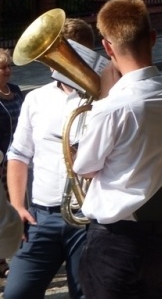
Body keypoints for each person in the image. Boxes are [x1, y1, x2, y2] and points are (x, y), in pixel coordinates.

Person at [72, 0, 162, 299]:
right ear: (153, 38)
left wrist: (100, 101)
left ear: (107, 47)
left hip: (114, 242)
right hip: (161, 238)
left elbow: (84, 169)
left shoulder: (111, 107)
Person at [4, 18, 96, 299]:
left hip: (87, 218)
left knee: (83, 294)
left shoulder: (105, 98)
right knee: (16, 294)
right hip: (40, 217)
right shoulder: (37, 99)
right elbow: (19, 154)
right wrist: (17, 206)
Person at [0, 48, 24, 280]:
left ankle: (22, 251)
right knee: (2, 212)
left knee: (19, 204)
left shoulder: (16, 91)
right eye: (2, 67)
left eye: (9, 66)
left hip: (19, 160)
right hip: (1, 163)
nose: (7, 71)